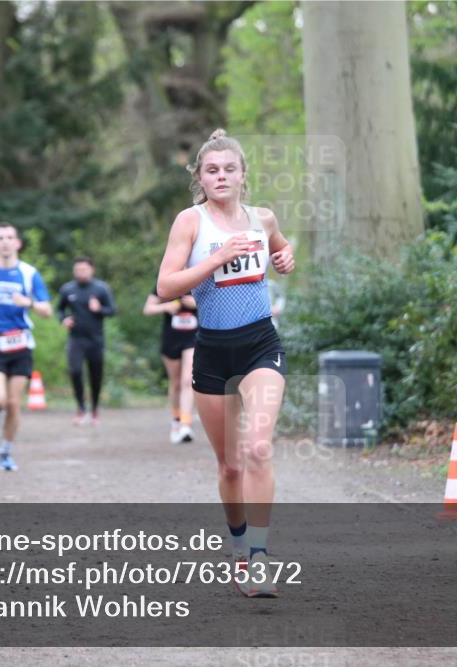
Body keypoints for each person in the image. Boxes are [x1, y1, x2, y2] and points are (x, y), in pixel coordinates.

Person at [156, 129, 295, 598]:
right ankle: (239, 549)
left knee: (257, 448)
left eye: (229, 169)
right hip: (213, 350)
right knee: (230, 466)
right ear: (200, 176)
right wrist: (215, 259)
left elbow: (278, 245)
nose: (221, 176)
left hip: (260, 345)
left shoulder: (261, 217)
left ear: (242, 175)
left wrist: (285, 254)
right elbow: (166, 287)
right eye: (211, 170)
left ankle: (259, 557)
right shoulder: (189, 222)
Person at [0, 223, 52, 472]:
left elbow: (47, 310)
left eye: (9, 237)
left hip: (20, 344)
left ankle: (5, 452)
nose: (5, 242)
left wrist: (27, 302)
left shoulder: (29, 273)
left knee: (14, 403)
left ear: (17, 243)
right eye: (0, 238)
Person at [56, 256, 116, 425]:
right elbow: (59, 310)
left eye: (84, 269)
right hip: (76, 339)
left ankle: (95, 408)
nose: (80, 272)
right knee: (75, 371)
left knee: (95, 376)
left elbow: (112, 310)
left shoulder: (101, 289)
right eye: (77, 270)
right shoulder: (67, 289)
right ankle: (81, 408)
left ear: (92, 269)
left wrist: (99, 309)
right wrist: (64, 319)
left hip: (96, 340)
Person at [143, 281, 198, 444]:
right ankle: (176, 420)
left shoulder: (199, 278)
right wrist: (165, 307)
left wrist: (196, 303)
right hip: (171, 339)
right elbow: (148, 309)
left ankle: (185, 424)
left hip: (194, 338)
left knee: (188, 380)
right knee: (175, 383)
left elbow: (217, 304)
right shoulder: (166, 281)